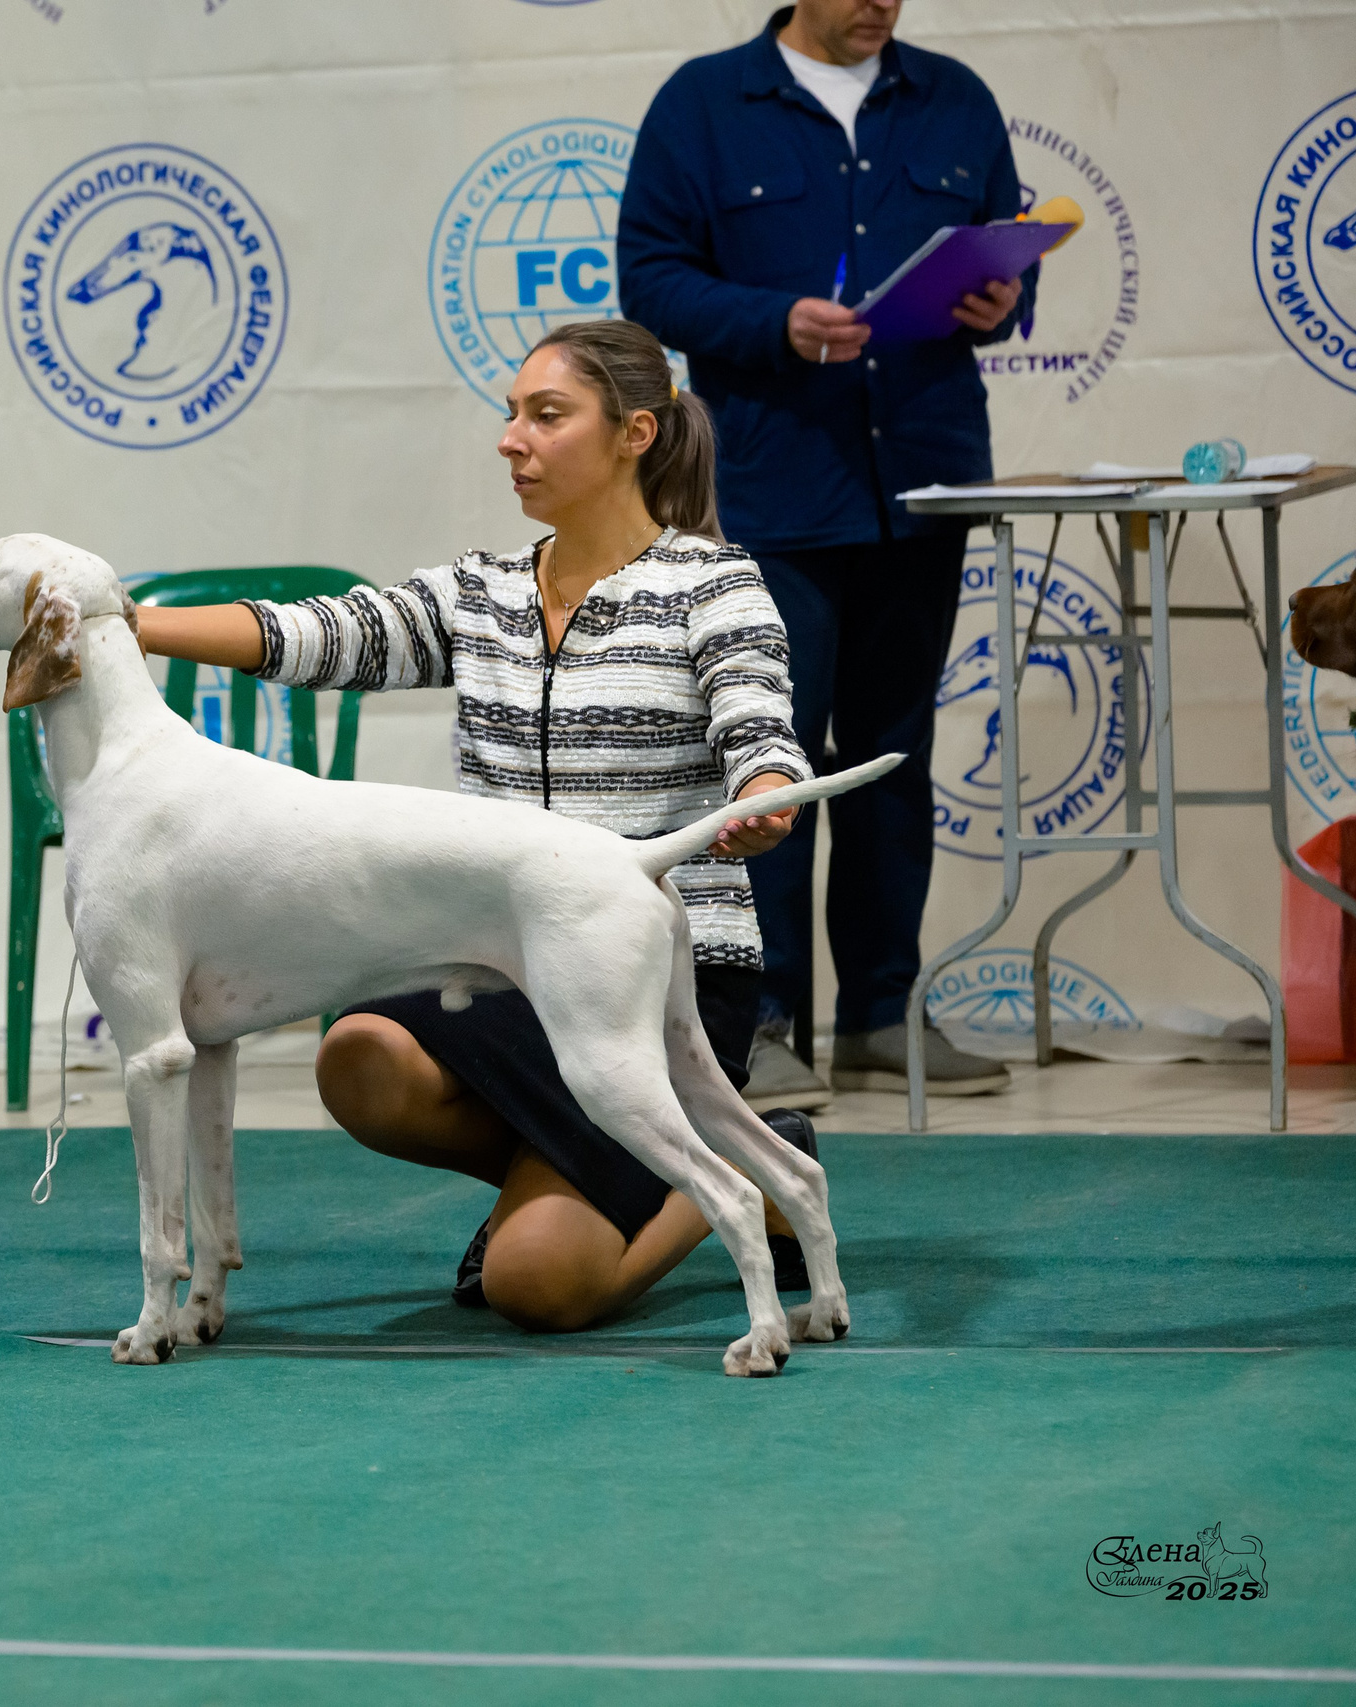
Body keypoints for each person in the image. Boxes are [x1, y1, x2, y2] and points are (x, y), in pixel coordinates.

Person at [135, 320, 821, 1332]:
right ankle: (609, 1162)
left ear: (634, 435)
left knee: (534, 1285)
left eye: (546, 416)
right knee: (357, 1057)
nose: (512, 439)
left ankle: (735, 1163)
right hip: (495, 969)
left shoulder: (713, 585)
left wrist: (764, 788)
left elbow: (761, 726)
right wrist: (116, 619)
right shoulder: (480, 592)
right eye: (510, 415)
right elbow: (321, 636)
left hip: (653, 966)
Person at [618, 0, 1036, 1108]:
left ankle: (883, 1014)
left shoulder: (953, 96)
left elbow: (1004, 259)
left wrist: (1001, 298)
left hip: (925, 483)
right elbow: (649, 278)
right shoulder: (704, 104)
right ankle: (760, 1022)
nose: (879, 6)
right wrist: (775, 322)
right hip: (775, 486)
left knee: (895, 755)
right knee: (774, 761)